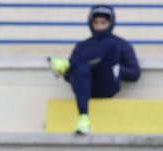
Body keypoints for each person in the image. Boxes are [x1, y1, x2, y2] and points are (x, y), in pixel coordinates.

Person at [48, 4, 140, 134]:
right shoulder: (82, 46)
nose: (100, 26)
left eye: (103, 23)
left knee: (109, 44)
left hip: (108, 85)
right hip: (86, 89)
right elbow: (70, 77)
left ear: (111, 23)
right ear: (91, 24)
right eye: (96, 23)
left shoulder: (120, 44)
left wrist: (118, 70)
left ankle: (67, 63)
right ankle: (84, 118)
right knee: (81, 68)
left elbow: (135, 74)